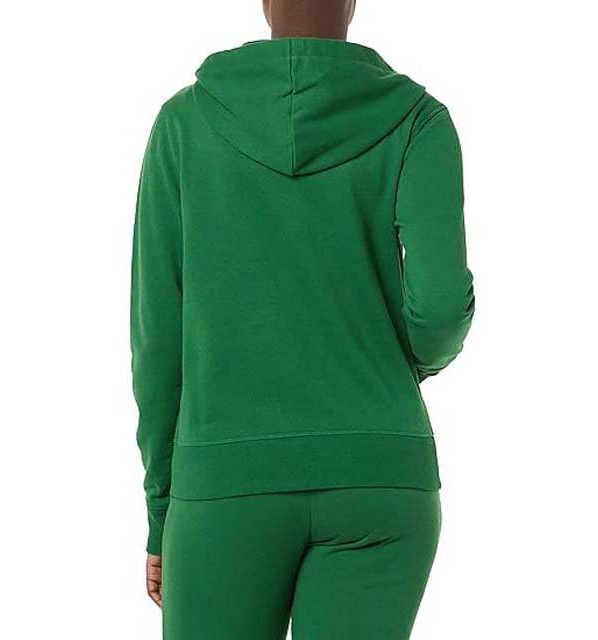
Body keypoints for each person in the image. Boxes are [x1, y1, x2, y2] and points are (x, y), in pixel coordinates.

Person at [130, 0, 475, 637]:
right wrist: (391, 367)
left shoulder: (184, 124)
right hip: (379, 473)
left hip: (224, 481)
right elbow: (441, 309)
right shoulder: (418, 120)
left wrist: (161, 513)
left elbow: (158, 344)